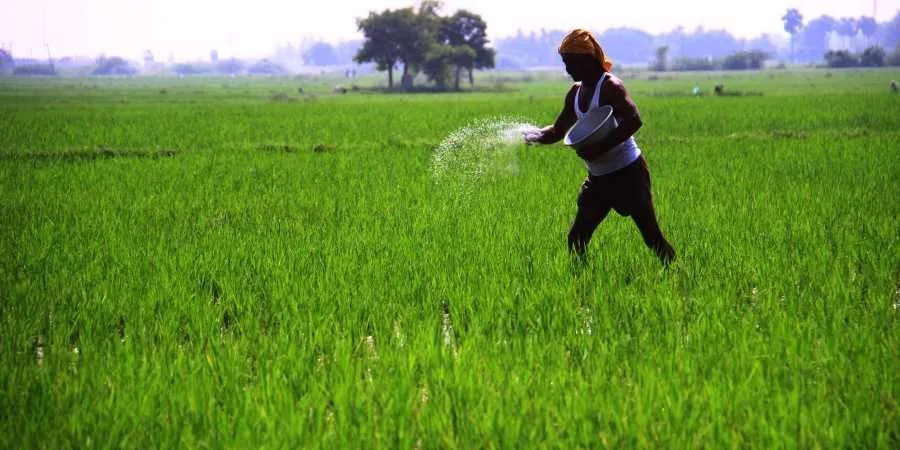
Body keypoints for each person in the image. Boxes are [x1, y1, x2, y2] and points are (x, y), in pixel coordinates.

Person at [525, 28, 676, 265]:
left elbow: (634, 119)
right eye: (565, 63)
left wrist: (600, 149)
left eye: (570, 63)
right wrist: (532, 136)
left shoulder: (611, 86)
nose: (567, 70)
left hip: (629, 175)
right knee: (576, 239)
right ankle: (581, 289)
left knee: (652, 239)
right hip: (598, 180)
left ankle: (680, 280)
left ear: (586, 60)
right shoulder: (575, 92)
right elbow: (557, 130)